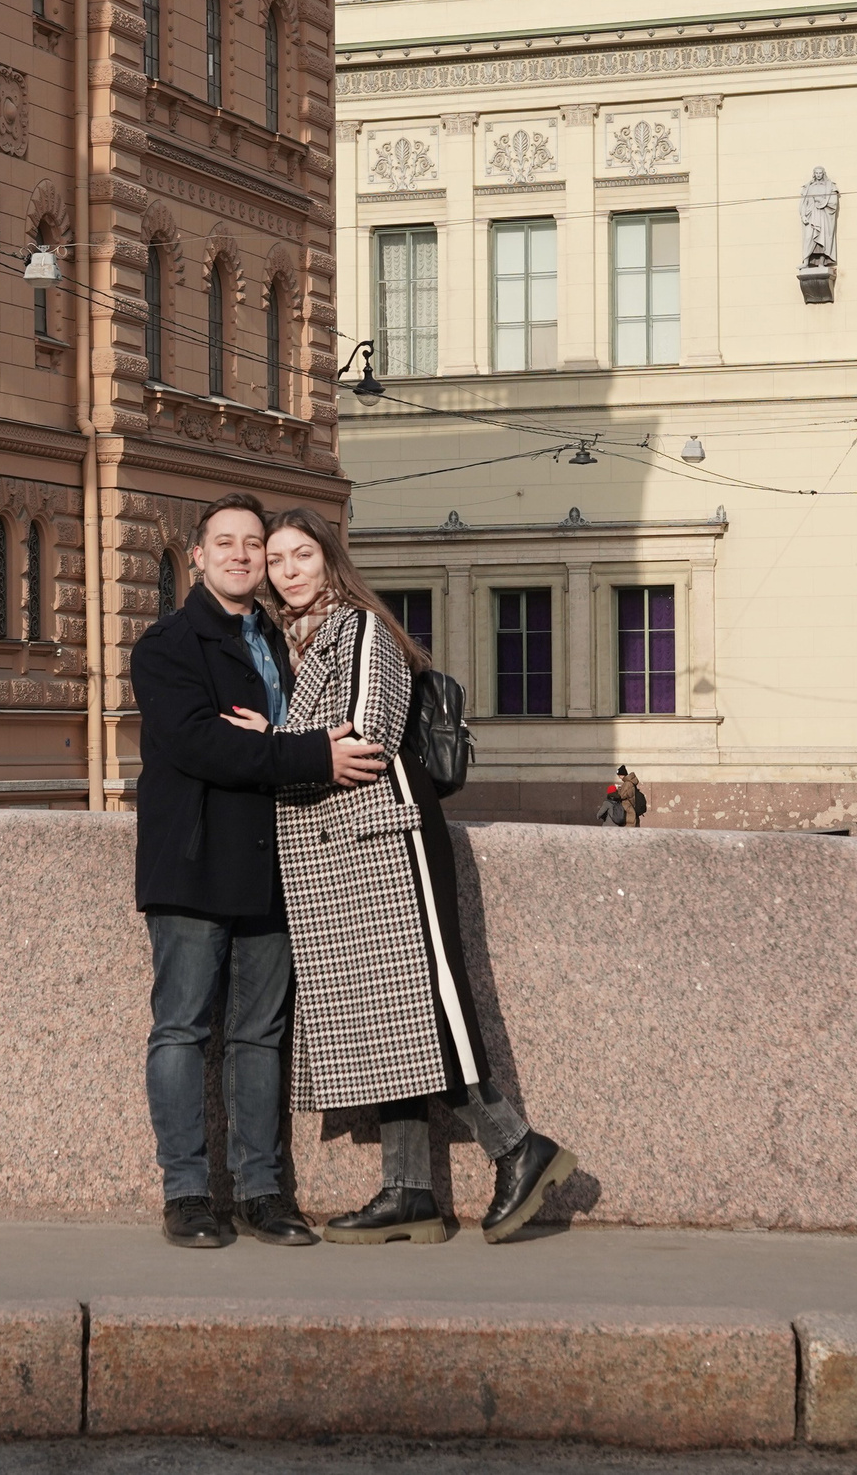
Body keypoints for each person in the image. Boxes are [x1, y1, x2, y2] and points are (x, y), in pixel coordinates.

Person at [228, 506, 575, 1246]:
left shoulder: (359, 629)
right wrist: (294, 747)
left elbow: (366, 738)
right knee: (389, 1024)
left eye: (302, 557)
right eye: (277, 560)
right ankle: (409, 1191)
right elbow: (325, 748)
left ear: (330, 561)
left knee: (423, 1007)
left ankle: (518, 1147)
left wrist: (273, 743)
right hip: (333, 852)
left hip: (387, 838)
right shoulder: (291, 641)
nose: (288, 571)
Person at [129, 493, 388, 1250]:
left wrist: (284, 741)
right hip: (193, 862)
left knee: (258, 1036)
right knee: (181, 1029)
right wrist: (309, 755)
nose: (244, 555)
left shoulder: (278, 639)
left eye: (255, 545)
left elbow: (271, 736)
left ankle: (262, 1192)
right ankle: (186, 1195)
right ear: (198, 556)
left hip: (276, 865)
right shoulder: (168, 644)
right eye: (228, 544)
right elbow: (203, 747)